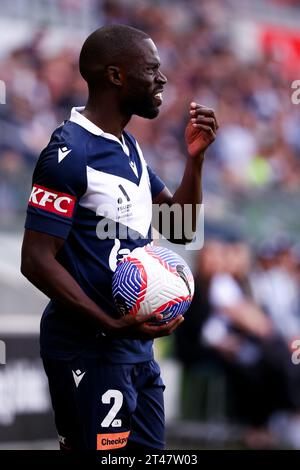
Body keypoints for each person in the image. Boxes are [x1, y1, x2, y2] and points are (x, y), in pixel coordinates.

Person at [20, 24, 218, 451]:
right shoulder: (69, 153)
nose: (162, 79)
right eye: (152, 68)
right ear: (116, 76)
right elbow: (35, 259)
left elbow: (181, 227)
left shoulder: (129, 148)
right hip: (87, 349)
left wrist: (195, 162)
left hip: (136, 350)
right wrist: (107, 321)